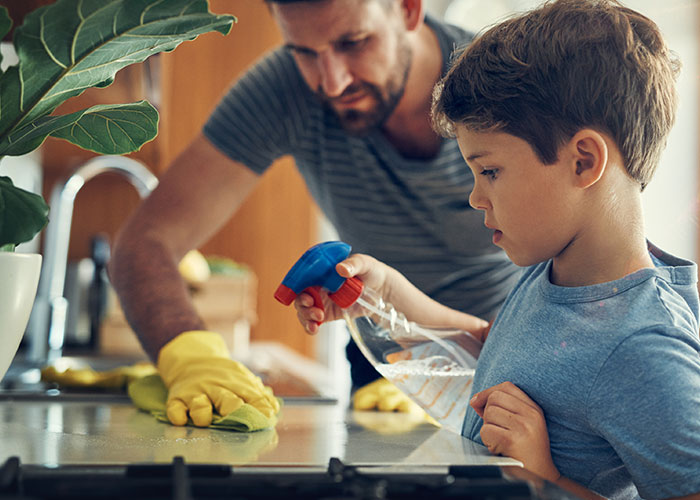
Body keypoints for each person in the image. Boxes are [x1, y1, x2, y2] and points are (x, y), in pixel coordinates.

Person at [295, 0, 700, 498]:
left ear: (583, 161)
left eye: (489, 171)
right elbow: (499, 351)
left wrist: (545, 479)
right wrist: (381, 296)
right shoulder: (556, 272)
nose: (475, 196)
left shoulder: (643, 350)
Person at [109, 0, 521, 427]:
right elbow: (145, 242)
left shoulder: (503, 87)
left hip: (518, 351)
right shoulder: (284, 89)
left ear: (408, 10)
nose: (332, 82)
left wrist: (503, 356)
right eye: (303, 51)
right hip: (387, 367)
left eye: (354, 42)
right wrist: (190, 355)